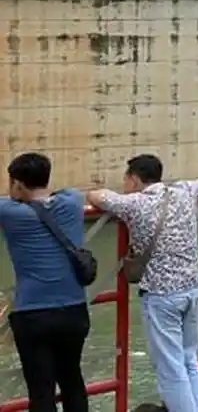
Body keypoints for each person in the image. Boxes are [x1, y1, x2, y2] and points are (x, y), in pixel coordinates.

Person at [86, 155, 198, 412]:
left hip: (162, 294)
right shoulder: (184, 192)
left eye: (126, 178)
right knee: (189, 358)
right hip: (193, 287)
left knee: (170, 367)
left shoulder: (134, 203)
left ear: (135, 179)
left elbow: (97, 196)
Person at [0, 153, 90, 412]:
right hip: (74, 310)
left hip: (33, 314)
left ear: (17, 184)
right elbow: (64, 194)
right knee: (73, 382)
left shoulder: (9, 212)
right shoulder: (72, 201)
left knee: (41, 391)